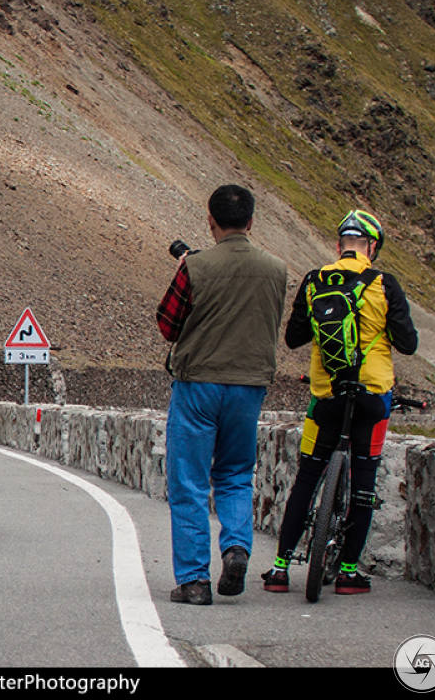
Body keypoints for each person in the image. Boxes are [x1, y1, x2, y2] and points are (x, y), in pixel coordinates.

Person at [262, 210, 418, 596]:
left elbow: (294, 338)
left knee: (307, 479)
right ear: (372, 246)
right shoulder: (384, 284)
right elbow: (408, 343)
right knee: (364, 484)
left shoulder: (316, 281)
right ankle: (348, 571)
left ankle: (280, 569)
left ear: (338, 246)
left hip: (326, 396)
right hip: (372, 396)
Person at [156, 184, 287, 606]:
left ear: (210, 221)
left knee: (190, 482)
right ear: (250, 222)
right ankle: (235, 548)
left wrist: (186, 269)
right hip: (248, 387)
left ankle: (194, 581)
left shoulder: (195, 267)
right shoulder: (277, 269)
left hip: (198, 386)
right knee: (234, 475)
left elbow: (167, 325)